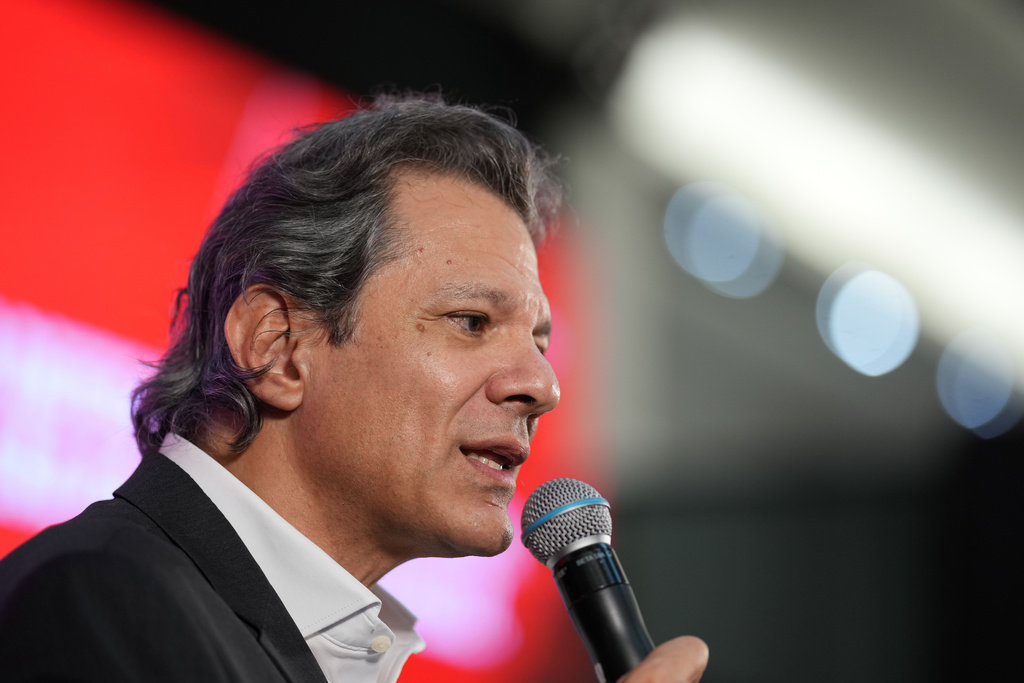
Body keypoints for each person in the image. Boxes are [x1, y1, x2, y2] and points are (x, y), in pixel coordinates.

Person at [0, 94, 707, 682]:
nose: (542, 385)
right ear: (276, 347)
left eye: (540, 341)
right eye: (471, 321)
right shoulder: (99, 599)